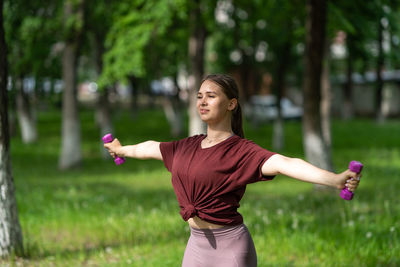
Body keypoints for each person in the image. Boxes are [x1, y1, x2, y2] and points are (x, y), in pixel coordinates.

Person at [103, 74, 362, 267]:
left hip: (231, 250)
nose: (202, 102)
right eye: (199, 96)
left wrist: (335, 180)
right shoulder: (187, 146)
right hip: (195, 245)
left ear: (231, 104)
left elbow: (286, 163)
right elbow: (151, 147)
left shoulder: (241, 152)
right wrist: (122, 149)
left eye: (211, 96)